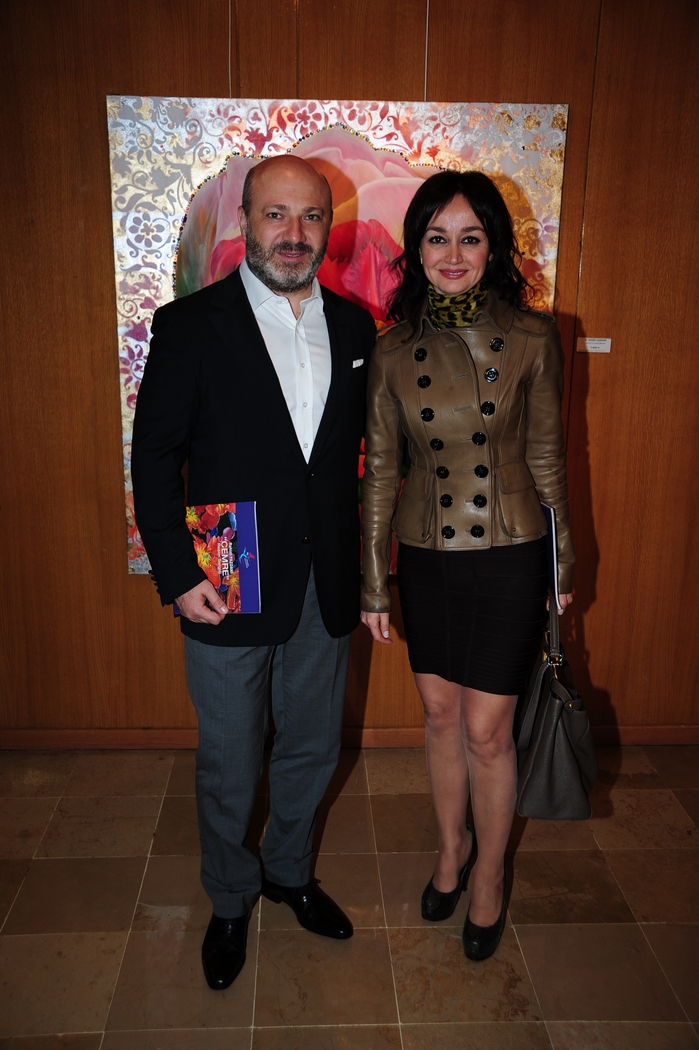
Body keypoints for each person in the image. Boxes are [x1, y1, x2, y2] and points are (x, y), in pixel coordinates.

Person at [132, 155, 376, 989]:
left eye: (311, 216)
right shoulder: (190, 325)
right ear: (246, 221)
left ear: (328, 227)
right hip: (225, 572)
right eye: (277, 215)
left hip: (323, 578)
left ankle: (288, 873)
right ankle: (231, 898)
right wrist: (177, 574)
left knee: (310, 745)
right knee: (231, 759)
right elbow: (155, 459)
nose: (294, 234)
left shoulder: (355, 329)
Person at [360, 171, 574, 961]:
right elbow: (380, 471)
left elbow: (548, 457)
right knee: (440, 717)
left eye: (470, 238)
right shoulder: (391, 350)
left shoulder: (531, 337)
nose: (452, 255)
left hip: (510, 552)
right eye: (436, 238)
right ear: (416, 250)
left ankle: (488, 874)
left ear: (493, 248)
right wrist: (372, 582)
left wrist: (560, 561)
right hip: (426, 555)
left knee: (487, 731)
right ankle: (450, 848)